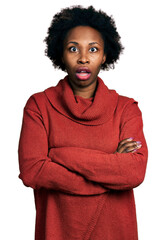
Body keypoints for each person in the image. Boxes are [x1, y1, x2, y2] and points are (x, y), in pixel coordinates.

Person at [18, 5, 148, 240]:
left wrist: (60, 155)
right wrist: (110, 169)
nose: (84, 57)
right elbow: (32, 170)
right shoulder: (39, 106)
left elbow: (134, 171)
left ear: (105, 55)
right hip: (58, 233)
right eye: (73, 48)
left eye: (94, 49)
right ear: (61, 53)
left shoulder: (126, 109)